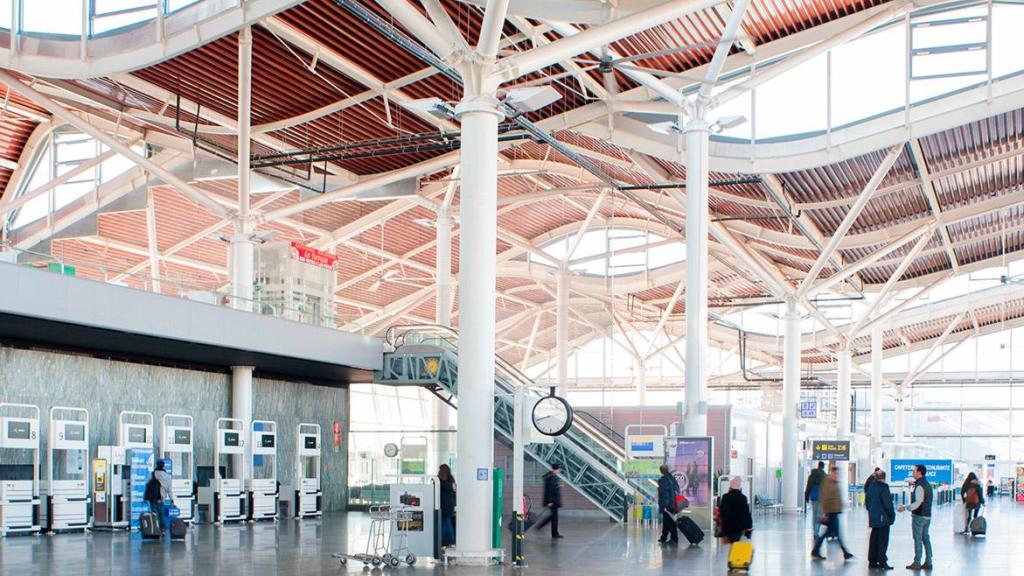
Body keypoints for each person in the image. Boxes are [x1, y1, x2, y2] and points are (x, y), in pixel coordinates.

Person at [811, 466, 854, 562]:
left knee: (830, 533)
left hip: (834, 511)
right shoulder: (827, 483)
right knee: (835, 534)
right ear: (831, 473)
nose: (837, 475)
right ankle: (845, 552)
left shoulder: (834, 483)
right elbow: (825, 498)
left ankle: (816, 550)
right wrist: (825, 512)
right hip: (831, 512)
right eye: (835, 473)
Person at [898, 464, 933, 570]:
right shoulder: (926, 484)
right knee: (925, 538)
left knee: (918, 538)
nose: (913, 473)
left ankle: (917, 562)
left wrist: (906, 508)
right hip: (927, 516)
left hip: (919, 516)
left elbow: (918, 502)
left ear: (919, 473)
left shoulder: (919, 486)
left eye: (914, 471)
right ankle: (928, 561)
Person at [865, 470, 895, 570]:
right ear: (884, 478)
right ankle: (882, 562)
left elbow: (867, 503)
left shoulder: (871, 487)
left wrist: (872, 512)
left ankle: (872, 561)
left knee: (874, 539)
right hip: (883, 518)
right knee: (882, 540)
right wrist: (892, 515)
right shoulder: (884, 487)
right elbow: (888, 504)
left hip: (873, 518)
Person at [718, 476, 753, 544]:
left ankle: (732, 552)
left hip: (727, 526)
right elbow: (746, 513)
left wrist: (722, 524)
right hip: (738, 527)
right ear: (739, 487)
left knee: (732, 544)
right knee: (737, 544)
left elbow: (722, 512)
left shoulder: (725, 497)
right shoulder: (742, 498)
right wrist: (749, 526)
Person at [145, 459, 172, 534]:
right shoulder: (167, 476)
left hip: (152, 498)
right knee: (161, 514)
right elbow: (169, 489)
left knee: (154, 513)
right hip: (161, 498)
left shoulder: (152, 474)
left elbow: (147, 483)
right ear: (163, 466)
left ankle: (155, 528)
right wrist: (172, 499)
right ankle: (162, 529)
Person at [535, 464, 563, 538]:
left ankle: (551, 532)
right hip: (552, 501)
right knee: (554, 517)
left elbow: (553, 488)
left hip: (554, 500)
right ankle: (553, 533)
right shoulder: (551, 477)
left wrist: (559, 486)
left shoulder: (552, 476)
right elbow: (549, 490)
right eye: (559, 469)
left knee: (553, 517)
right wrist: (550, 501)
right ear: (556, 469)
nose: (559, 470)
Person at [657, 464, 680, 544]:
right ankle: (663, 537)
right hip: (673, 503)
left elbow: (664, 494)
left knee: (670, 522)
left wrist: (665, 506)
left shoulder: (663, 480)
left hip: (667, 505)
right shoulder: (672, 478)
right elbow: (677, 490)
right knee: (666, 521)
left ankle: (674, 538)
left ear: (661, 471)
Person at [437, 464, 456, 547]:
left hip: (444, 506)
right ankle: (448, 541)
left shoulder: (442, 481)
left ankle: (449, 541)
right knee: (445, 523)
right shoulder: (451, 479)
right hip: (449, 506)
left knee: (445, 523)